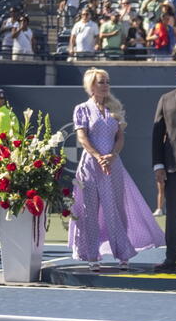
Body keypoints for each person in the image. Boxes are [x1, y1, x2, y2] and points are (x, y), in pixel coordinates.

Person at [69, 69, 163, 269]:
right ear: (91, 86)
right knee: (90, 212)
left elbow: (120, 137)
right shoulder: (82, 109)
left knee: (116, 210)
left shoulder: (115, 108)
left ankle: (123, 255)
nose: (105, 86)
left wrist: (112, 155)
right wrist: (98, 156)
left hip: (114, 167)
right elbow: (82, 137)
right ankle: (92, 256)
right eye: (101, 82)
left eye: (107, 82)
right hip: (89, 168)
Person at [151, 59, 176, 272]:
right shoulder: (166, 99)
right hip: (173, 166)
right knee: (174, 213)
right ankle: (171, 258)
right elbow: (158, 135)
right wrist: (158, 165)